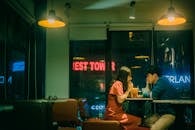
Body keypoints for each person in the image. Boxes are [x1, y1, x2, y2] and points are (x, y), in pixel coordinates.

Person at [104, 66, 149, 130]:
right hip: (113, 115)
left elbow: (126, 96)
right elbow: (120, 100)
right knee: (139, 120)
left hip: (118, 114)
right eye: (129, 76)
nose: (131, 78)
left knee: (138, 121)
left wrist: (129, 89)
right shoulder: (118, 83)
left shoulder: (120, 84)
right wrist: (128, 90)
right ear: (124, 76)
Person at [144, 65, 179, 130]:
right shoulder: (158, 83)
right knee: (144, 123)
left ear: (154, 75)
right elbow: (149, 95)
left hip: (169, 114)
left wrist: (147, 85)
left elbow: (152, 96)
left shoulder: (162, 81)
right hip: (160, 114)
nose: (147, 78)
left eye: (148, 76)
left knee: (154, 128)